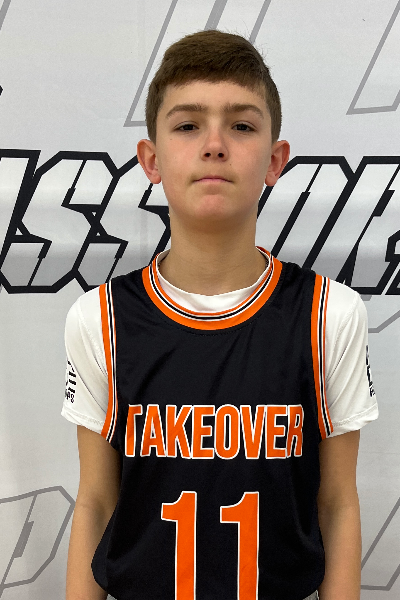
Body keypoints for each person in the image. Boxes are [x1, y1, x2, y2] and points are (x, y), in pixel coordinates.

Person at [62, 29, 378, 600]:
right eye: (188, 125)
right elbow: (97, 502)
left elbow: (337, 503)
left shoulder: (329, 313)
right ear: (152, 160)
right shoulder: (100, 318)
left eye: (241, 126)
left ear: (275, 160)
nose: (214, 145)